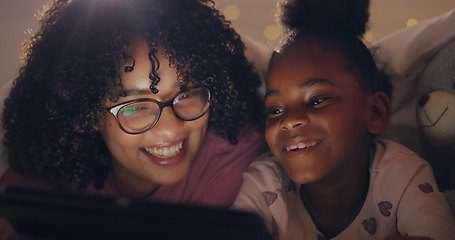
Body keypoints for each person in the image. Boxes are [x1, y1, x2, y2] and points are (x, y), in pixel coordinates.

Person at [0, 0, 268, 207]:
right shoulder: (41, 174)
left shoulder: (237, 165)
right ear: (88, 115)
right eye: (136, 106)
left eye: (186, 94)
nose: (170, 130)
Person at [232, 0, 455, 239]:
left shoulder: (401, 174)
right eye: (275, 110)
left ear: (375, 112)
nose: (288, 121)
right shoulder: (265, 182)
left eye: (316, 100)